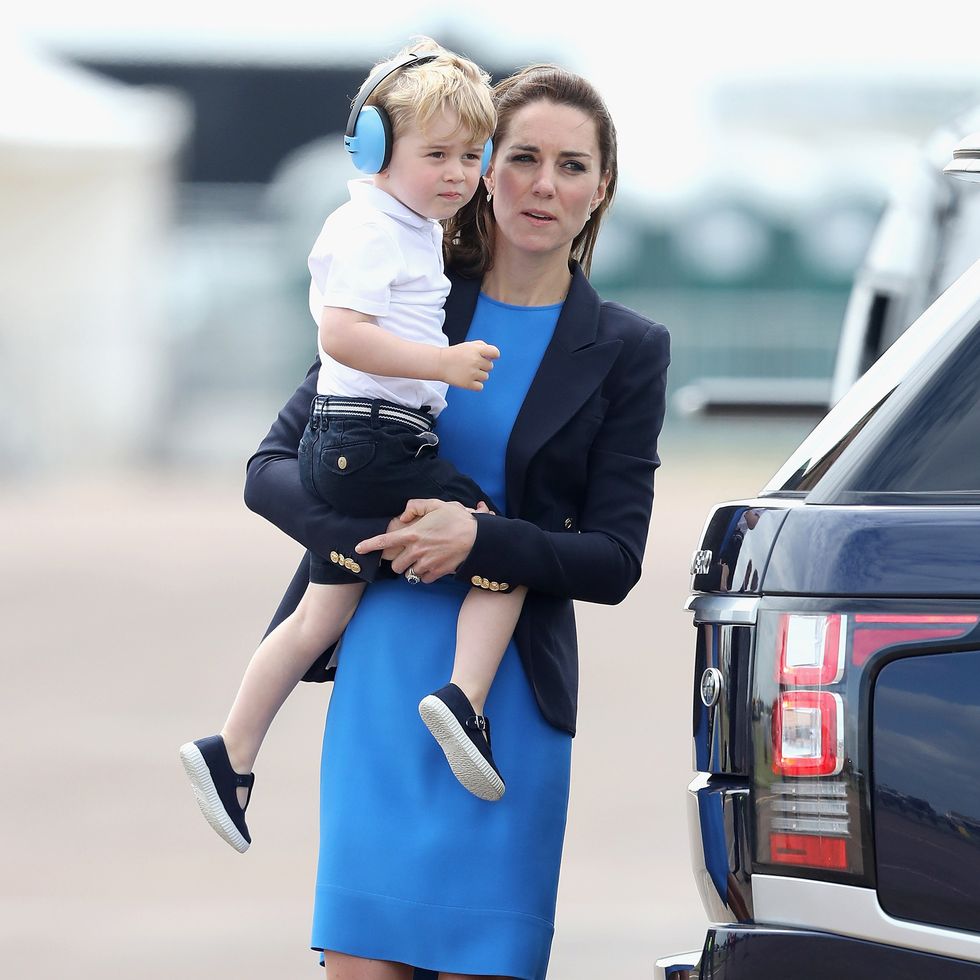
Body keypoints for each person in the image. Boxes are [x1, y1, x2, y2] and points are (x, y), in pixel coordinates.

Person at [244, 63, 670, 980]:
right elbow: (272, 470)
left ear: (601, 190)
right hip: (380, 680)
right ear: (481, 167)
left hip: (505, 705)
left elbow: (614, 559)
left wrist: (479, 537)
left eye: (570, 165)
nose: (542, 185)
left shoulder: (628, 349)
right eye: (519, 158)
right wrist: (368, 537)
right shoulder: (409, 293)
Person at [180, 40, 524, 855]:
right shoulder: (372, 230)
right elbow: (342, 333)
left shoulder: (404, 227)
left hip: (353, 447)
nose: (457, 173)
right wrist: (441, 363)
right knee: (501, 546)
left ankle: (230, 751)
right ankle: (462, 700)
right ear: (373, 148)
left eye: (471, 157)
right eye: (435, 153)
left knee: (315, 616)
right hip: (373, 441)